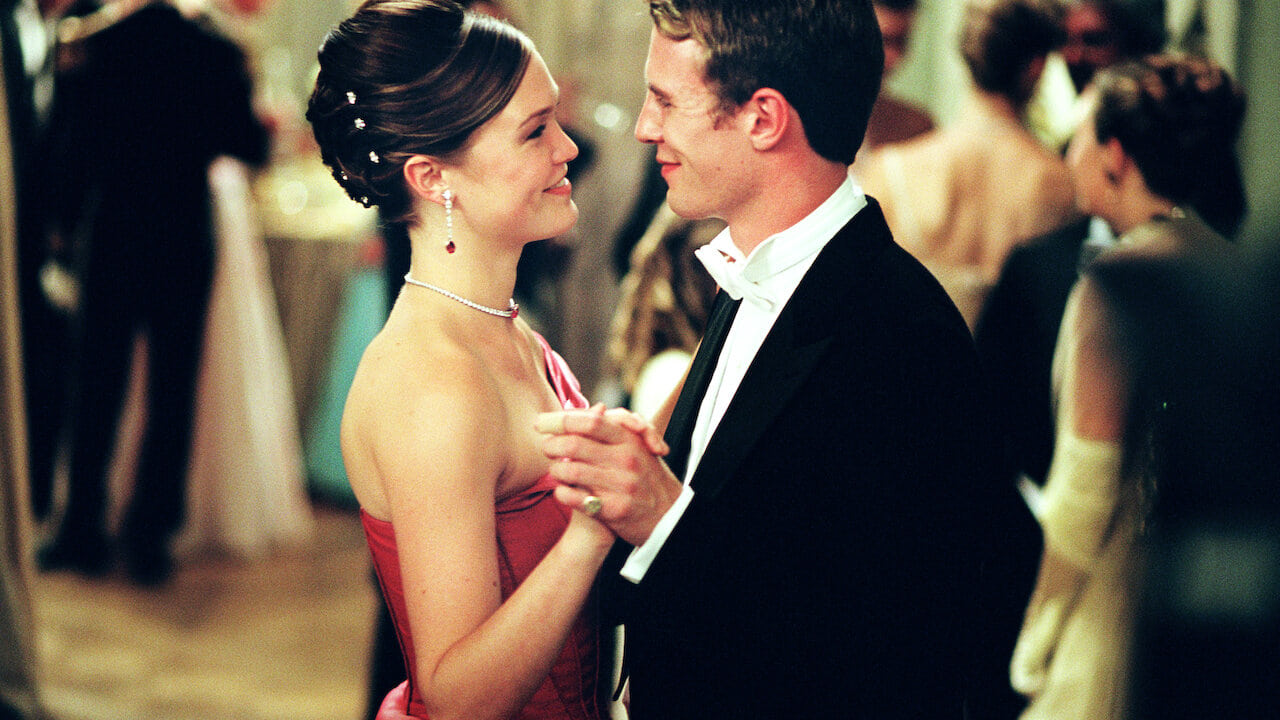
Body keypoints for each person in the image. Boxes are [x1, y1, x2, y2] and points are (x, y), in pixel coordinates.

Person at [538, 1, 1039, 717]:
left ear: (763, 118)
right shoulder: (753, 277)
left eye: (667, 101)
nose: (647, 127)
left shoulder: (900, 334)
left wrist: (663, 520)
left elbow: (886, 645)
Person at [309, 3, 665, 718]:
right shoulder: (434, 386)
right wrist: (593, 525)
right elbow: (457, 698)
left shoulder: (506, 330)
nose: (569, 148)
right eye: (535, 131)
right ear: (432, 177)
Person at [1008, 53, 1248, 720]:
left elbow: (1085, 489)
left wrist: (1036, 635)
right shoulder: (1226, 264)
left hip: (1113, 609)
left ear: (1115, 153)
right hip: (1199, 607)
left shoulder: (1118, 284)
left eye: (1080, 137)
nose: (1070, 155)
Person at [36, 0, 269, 585]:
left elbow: (68, 147)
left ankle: (81, 528)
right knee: (173, 390)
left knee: (95, 386)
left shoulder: (99, 42)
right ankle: (151, 536)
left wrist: (61, 225)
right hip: (183, 235)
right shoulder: (214, 49)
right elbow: (248, 145)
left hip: (111, 232)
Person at [973, 0, 1167, 490]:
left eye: (1094, 39)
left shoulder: (1195, 262)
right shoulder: (1041, 256)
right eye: (1066, 40)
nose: (1075, 56)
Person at [857, 0, 1077, 328]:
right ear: (1036, 66)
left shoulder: (891, 171)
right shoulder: (1064, 183)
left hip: (911, 356)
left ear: (966, 54)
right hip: (1012, 361)